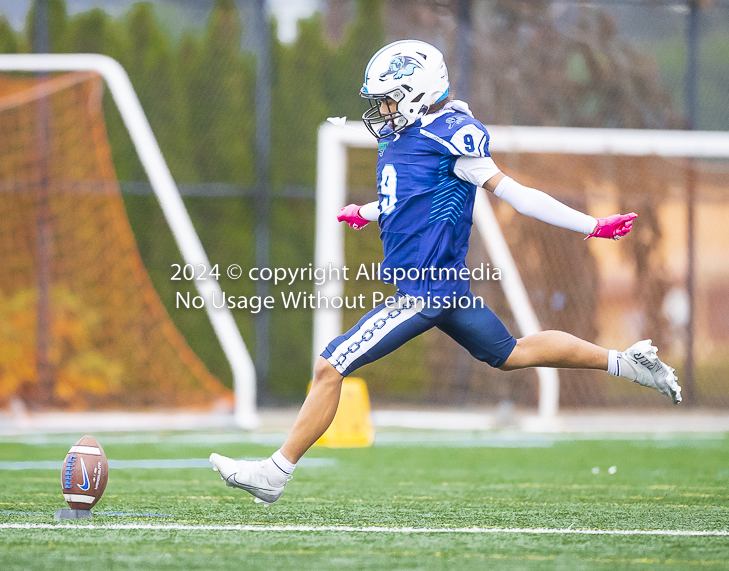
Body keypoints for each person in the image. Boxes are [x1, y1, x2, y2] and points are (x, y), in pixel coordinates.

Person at [210, 39, 681, 505]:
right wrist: (370, 211)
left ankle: (275, 473)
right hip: (445, 287)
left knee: (331, 364)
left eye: (388, 99)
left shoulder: (452, 136)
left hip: (426, 290)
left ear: (417, 92)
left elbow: (516, 194)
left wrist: (591, 224)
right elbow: (412, 196)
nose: (382, 110)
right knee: (511, 353)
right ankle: (628, 363)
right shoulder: (405, 136)